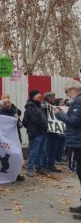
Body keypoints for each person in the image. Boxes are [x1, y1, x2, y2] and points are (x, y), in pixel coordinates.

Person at [54, 80, 81, 220]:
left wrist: (59, 115)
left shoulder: (78, 102)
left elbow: (74, 122)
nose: (67, 94)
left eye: (67, 91)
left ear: (75, 89)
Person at [23, 90, 48, 177]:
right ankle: (30, 169)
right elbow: (35, 119)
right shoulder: (30, 106)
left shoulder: (39, 106)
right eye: (38, 94)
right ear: (33, 96)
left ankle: (39, 168)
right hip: (36, 132)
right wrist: (32, 128)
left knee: (42, 151)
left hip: (43, 132)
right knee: (34, 152)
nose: (40, 95)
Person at [42, 92, 61, 173]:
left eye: (54, 96)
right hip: (48, 131)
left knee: (53, 149)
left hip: (55, 131)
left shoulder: (55, 106)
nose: (53, 98)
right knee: (46, 149)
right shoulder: (43, 106)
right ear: (47, 98)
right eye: (52, 97)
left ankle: (51, 165)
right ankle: (44, 165)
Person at [54, 98, 66, 164]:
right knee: (57, 146)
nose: (63, 103)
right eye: (61, 102)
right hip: (58, 130)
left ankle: (59, 159)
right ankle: (55, 159)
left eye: (63, 102)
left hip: (64, 131)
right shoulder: (55, 110)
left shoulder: (65, 110)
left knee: (61, 146)